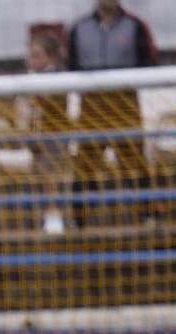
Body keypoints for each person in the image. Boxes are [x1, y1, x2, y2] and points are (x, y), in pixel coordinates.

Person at [66, 0, 159, 227]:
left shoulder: (136, 25)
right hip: (91, 108)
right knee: (84, 167)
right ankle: (80, 222)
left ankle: (147, 218)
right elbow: (71, 67)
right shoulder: (78, 28)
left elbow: (150, 62)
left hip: (125, 107)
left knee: (134, 164)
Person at [18, 30, 71, 234]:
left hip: (55, 137)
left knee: (50, 172)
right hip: (35, 135)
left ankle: (54, 215)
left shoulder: (58, 79)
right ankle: (43, 215)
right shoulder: (29, 79)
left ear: (51, 57)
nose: (30, 59)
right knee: (39, 175)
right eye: (29, 54)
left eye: (36, 55)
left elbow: (54, 108)